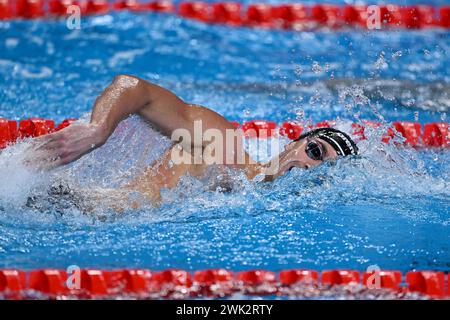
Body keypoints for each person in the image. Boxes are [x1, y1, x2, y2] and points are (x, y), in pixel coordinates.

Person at [30, 75, 358, 206]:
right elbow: (135, 89)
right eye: (315, 150)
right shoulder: (225, 144)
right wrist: (97, 130)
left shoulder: (253, 201)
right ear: (291, 144)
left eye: (324, 168)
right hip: (64, 202)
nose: (311, 166)